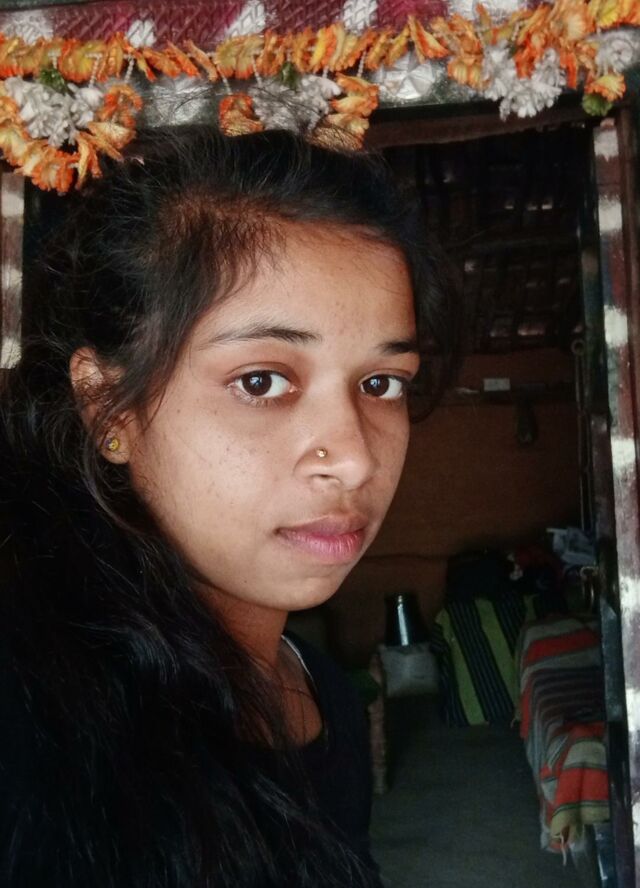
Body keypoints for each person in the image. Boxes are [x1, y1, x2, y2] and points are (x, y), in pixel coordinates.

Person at [0, 124, 456, 887]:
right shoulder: (34, 727)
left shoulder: (320, 691)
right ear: (109, 408)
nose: (354, 456)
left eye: (382, 383)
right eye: (261, 381)